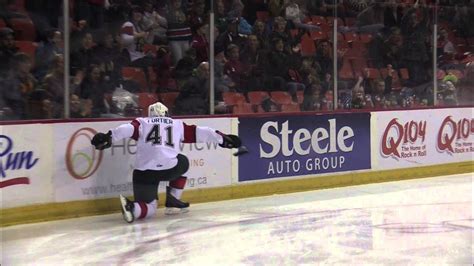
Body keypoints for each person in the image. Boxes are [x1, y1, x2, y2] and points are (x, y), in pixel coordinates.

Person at [90, 102, 242, 223]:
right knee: (183, 162)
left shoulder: (142, 122)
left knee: (150, 207)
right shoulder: (176, 124)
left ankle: (133, 208)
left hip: (143, 172)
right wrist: (223, 139)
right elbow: (202, 132)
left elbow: (126, 129)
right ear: (166, 114)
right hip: (169, 168)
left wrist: (109, 137)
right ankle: (173, 197)